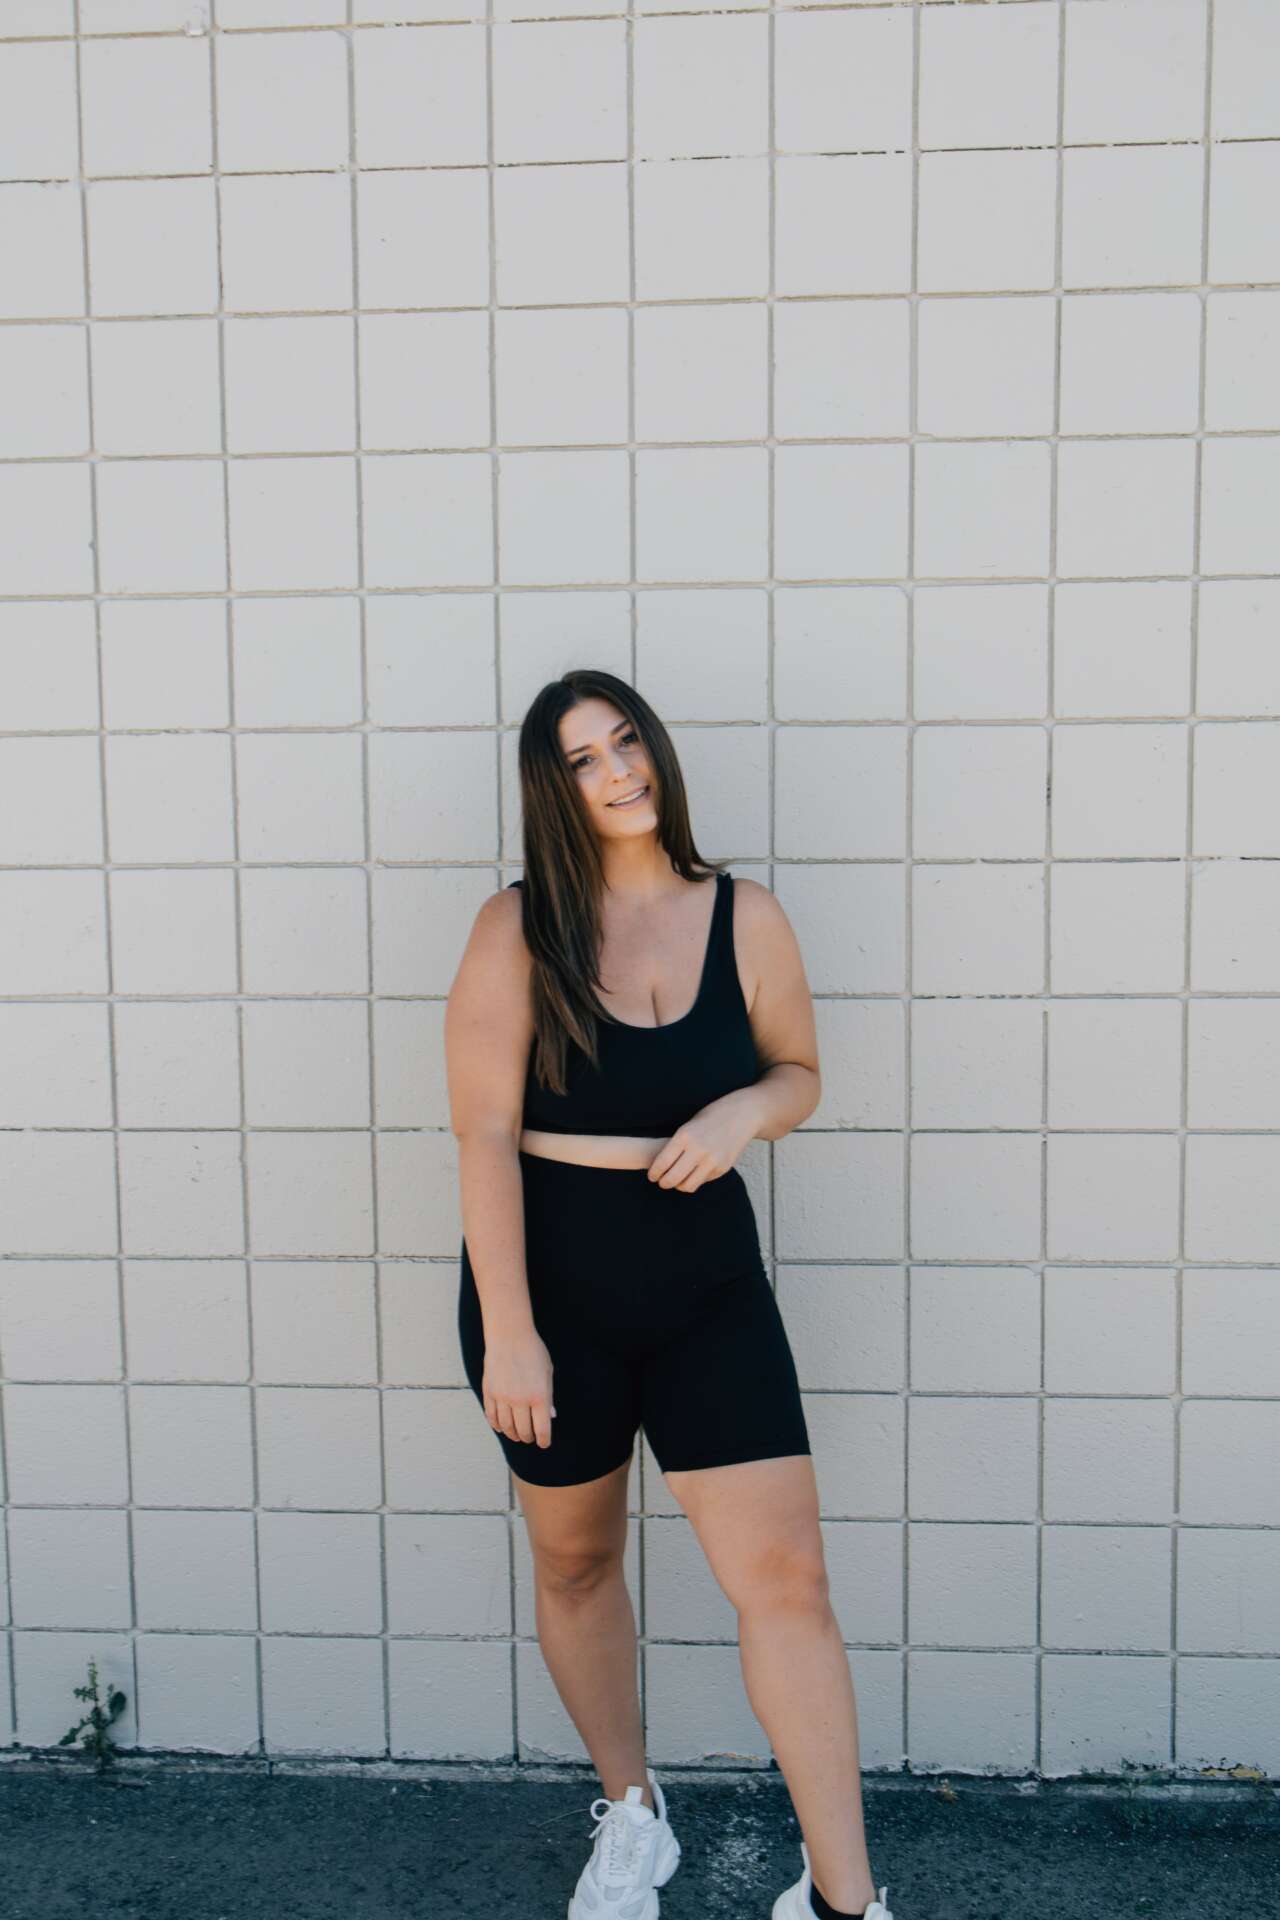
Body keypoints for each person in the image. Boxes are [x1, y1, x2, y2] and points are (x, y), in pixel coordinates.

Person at [445, 668, 894, 1920]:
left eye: (625, 740)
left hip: (706, 1291)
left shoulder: (744, 915)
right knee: (577, 1564)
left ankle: (843, 1901)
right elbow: (482, 1135)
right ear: (552, 791)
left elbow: (798, 1070)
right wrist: (512, 1334)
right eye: (582, 759)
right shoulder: (513, 929)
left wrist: (746, 1109)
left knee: (787, 1581)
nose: (617, 771)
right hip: (551, 1300)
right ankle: (632, 1812)